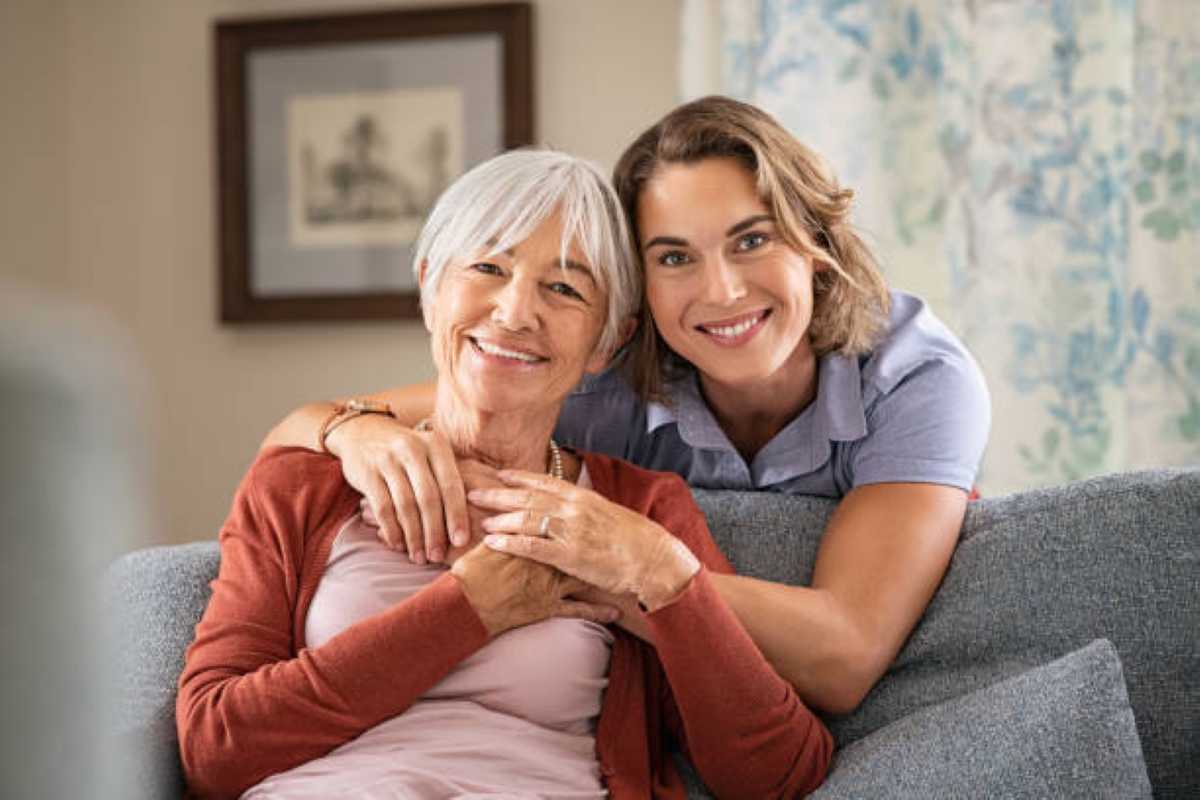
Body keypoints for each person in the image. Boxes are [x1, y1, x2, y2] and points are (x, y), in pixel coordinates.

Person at [262, 96, 991, 715]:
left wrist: (640, 562)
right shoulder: (606, 385)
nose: (723, 291)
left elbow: (845, 656)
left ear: (817, 246)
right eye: (674, 258)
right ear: (635, 293)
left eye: (752, 240)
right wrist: (353, 432)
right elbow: (299, 431)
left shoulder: (918, 380)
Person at [178, 149, 832, 799]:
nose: (516, 311)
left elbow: (777, 777)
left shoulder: (639, 512)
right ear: (431, 287)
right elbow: (215, 751)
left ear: (607, 342)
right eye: (488, 267)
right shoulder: (305, 483)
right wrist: (469, 609)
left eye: (565, 288)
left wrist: (668, 579)